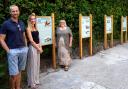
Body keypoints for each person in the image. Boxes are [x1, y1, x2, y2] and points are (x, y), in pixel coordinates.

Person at [0, 5, 28, 89]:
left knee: (19, 71)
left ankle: (18, 87)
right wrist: (8, 51)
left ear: (19, 11)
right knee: (13, 74)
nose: (15, 12)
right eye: (13, 11)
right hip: (13, 51)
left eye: (16, 11)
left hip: (23, 49)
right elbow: (1, 39)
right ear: (10, 12)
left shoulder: (21, 22)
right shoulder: (6, 24)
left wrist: (26, 47)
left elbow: (24, 35)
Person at [26, 13, 43, 88]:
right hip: (32, 48)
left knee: (37, 64)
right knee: (32, 65)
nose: (33, 20)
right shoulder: (28, 29)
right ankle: (32, 83)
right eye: (31, 19)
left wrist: (40, 47)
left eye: (34, 19)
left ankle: (36, 80)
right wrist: (38, 48)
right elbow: (31, 41)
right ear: (29, 20)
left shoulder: (36, 28)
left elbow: (38, 38)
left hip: (37, 47)